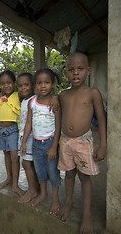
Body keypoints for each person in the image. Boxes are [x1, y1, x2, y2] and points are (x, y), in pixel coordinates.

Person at [57, 52, 107, 234]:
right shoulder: (62, 95)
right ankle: (69, 202)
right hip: (65, 142)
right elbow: (58, 116)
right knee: (69, 175)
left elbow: (101, 119)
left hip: (83, 142)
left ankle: (87, 214)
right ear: (66, 73)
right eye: (71, 70)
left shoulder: (93, 93)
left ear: (88, 71)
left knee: (85, 177)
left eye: (80, 69)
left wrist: (103, 145)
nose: (75, 73)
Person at [20, 68, 61, 215]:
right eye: (39, 83)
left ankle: (55, 199)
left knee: (53, 172)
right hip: (36, 144)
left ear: (52, 84)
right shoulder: (32, 102)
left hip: (50, 143)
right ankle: (43, 193)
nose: (43, 86)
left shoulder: (54, 102)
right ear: (34, 85)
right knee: (40, 171)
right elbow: (29, 124)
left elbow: (58, 126)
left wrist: (54, 147)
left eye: (47, 82)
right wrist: (24, 142)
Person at [0, 70, 25, 197]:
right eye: (2, 83)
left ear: (14, 83)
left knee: (15, 157)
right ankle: (9, 178)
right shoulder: (2, 98)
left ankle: (15, 185)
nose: (6, 86)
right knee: (6, 155)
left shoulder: (17, 95)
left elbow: (29, 93)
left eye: (9, 82)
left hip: (12, 131)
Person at [17, 72, 39, 203]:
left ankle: (32, 190)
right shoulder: (24, 100)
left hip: (29, 136)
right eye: (20, 85)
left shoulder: (35, 99)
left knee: (26, 163)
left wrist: (24, 141)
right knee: (29, 163)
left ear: (33, 85)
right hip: (24, 136)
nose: (23, 88)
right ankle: (35, 187)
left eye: (26, 85)